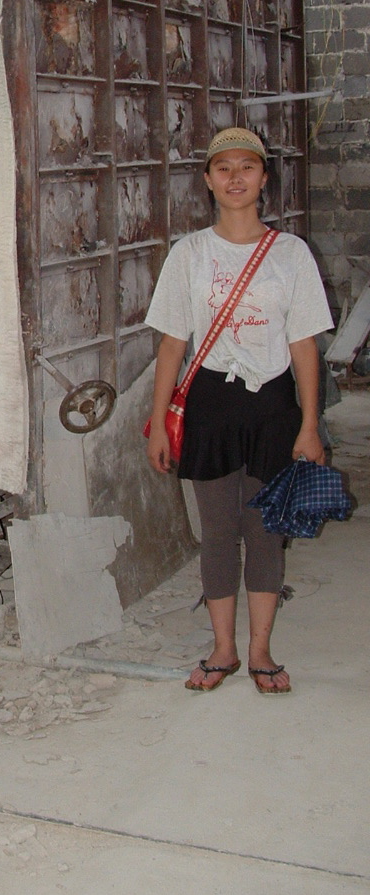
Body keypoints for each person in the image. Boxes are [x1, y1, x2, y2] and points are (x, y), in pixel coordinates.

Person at [145, 127, 333, 694]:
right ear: (207, 180)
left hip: (273, 406)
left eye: (246, 168)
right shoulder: (190, 254)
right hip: (210, 406)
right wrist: (159, 422)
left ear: (263, 178)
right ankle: (223, 648)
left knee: (266, 530)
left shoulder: (291, 255)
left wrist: (308, 423)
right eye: (222, 168)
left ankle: (261, 652)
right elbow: (172, 344)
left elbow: (303, 344)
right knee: (219, 533)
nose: (234, 178)